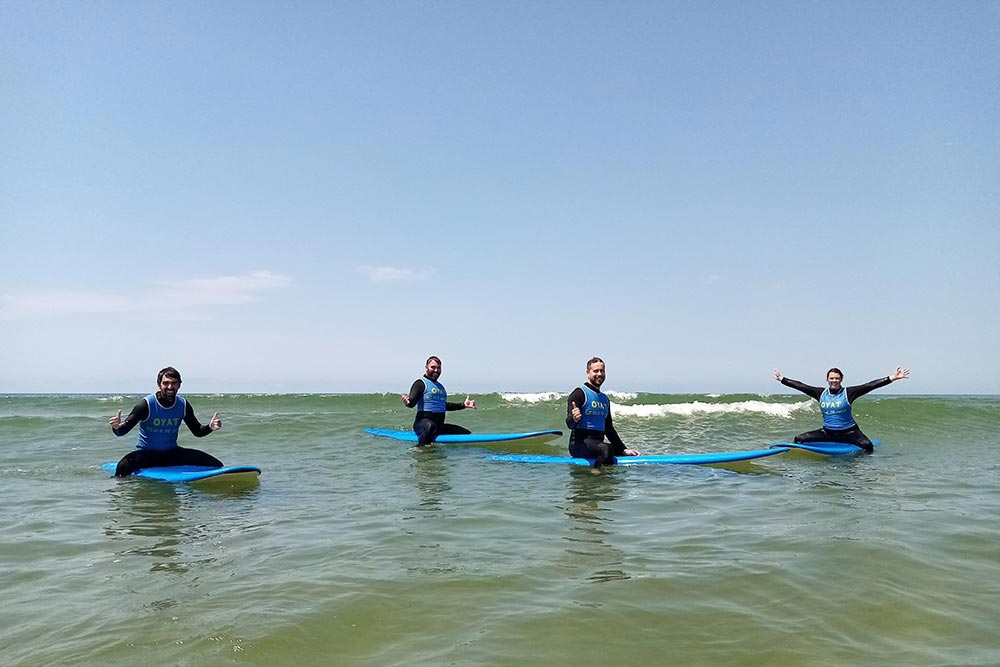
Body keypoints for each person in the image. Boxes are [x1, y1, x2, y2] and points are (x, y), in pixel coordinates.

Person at [109, 366, 224, 476]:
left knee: (215, 463)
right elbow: (122, 431)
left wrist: (210, 427)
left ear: (179, 385)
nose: (170, 387)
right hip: (146, 455)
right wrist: (117, 428)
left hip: (171, 453)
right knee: (122, 466)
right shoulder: (147, 405)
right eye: (166, 383)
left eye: (174, 383)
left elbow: (197, 431)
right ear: (159, 384)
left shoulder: (182, 405)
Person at [773, 366, 910, 453]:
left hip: (849, 432)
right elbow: (801, 386)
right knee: (799, 439)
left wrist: (892, 378)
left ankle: (864, 468)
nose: (834, 381)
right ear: (827, 380)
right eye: (831, 378)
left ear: (841, 379)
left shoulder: (849, 393)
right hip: (828, 432)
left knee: (868, 446)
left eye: (837, 378)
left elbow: (869, 386)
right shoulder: (820, 393)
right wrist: (782, 379)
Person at [566, 357, 640, 467]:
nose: (599, 374)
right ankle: (595, 473)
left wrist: (623, 450)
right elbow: (569, 424)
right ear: (588, 372)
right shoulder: (579, 393)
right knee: (607, 449)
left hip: (597, 445)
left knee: (614, 450)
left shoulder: (604, 399)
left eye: (602, 371)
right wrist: (574, 418)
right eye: (596, 371)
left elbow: (609, 429)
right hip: (579, 444)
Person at [401, 356, 476, 445]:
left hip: (438, 426)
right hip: (422, 424)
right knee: (430, 426)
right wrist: (407, 402)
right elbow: (412, 402)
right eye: (433, 367)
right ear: (426, 368)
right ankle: (420, 450)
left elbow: (444, 405)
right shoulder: (420, 383)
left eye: (438, 368)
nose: (436, 370)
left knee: (466, 433)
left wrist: (464, 405)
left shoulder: (440, 387)